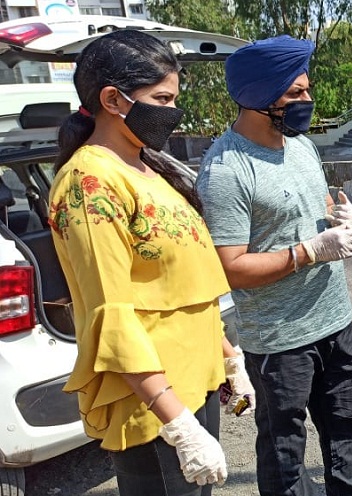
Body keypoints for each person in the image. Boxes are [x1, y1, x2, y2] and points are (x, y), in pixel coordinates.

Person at [49, 30, 248, 495]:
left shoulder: (148, 167)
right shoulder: (89, 182)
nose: (172, 112)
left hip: (192, 382)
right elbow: (111, 314)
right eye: (161, 98)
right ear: (113, 99)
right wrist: (177, 422)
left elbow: (178, 286)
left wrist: (228, 358)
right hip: (152, 403)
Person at [197, 35, 352, 496]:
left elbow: (311, 208)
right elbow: (231, 267)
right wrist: (308, 252)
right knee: (284, 455)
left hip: (335, 322)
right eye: (295, 93)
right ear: (258, 96)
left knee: (350, 438)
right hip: (279, 341)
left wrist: (342, 216)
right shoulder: (227, 170)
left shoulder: (301, 147)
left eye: (307, 90)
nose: (307, 101)